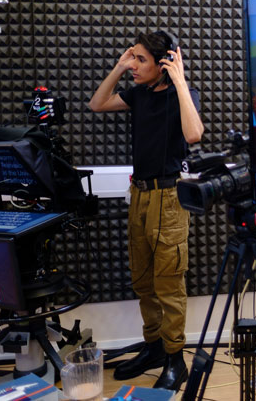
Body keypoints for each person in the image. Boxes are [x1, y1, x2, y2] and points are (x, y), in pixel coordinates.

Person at [88, 30, 204, 391]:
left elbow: (194, 134)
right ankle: (154, 348)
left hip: (169, 199)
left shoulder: (182, 96)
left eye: (140, 59)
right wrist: (118, 68)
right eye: (132, 57)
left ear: (163, 63)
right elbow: (97, 104)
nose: (134, 64)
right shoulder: (137, 94)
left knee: (168, 284)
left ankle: (175, 360)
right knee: (143, 281)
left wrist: (181, 83)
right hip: (138, 196)